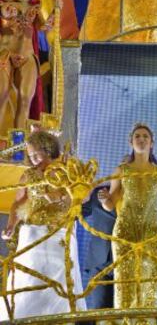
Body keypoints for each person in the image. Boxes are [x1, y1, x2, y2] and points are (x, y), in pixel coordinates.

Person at [0, 130, 86, 320]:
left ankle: (59, 319)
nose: (33, 159)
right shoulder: (28, 175)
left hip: (60, 234)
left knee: (60, 280)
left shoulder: (66, 170)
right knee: (30, 277)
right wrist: (11, 225)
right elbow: (18, 202)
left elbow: (83, 196)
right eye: (30, 156)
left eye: (36, 154)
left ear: (48, 150)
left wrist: (61, 197)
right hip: (32, 234)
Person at [98, 123, 157, 309]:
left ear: (152, 143)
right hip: (125, 234)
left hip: (152, 234)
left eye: (145, 136)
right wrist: (103, 199)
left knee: (151, 283)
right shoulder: (122, 170)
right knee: (125, 285)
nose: (141, 139)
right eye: (137, 136)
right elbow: (110, 205)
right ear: (130, 142)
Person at [0, 0, 62, 130]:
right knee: (2, 97)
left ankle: (18, 145)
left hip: (27, 57)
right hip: (5, 57)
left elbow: (44, 27)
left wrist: (55, 14)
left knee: (25, 100)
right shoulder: (1, 5)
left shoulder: (33, 6)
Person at [82, 184, 116, 310]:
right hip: (100, 263)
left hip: (130, 260)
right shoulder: (99, 192)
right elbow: (76, 213)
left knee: (126, 311)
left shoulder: (143, 192)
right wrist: (80, 197)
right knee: (100, 310)